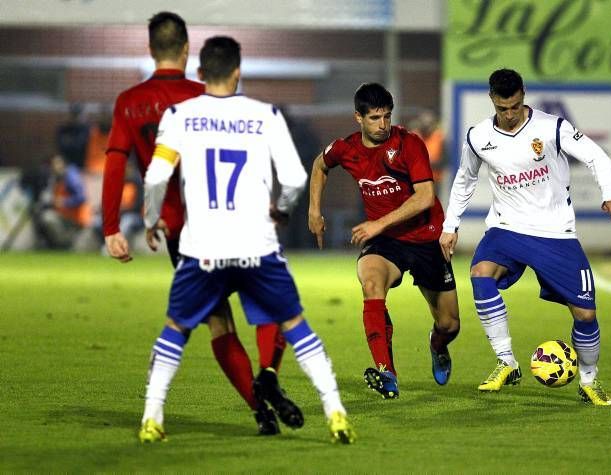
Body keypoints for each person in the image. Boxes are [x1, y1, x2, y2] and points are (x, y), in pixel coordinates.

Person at [137, 35, 355, 444]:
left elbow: (155, 176)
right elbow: (293, 179)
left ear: (200, 74)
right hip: (256, 245)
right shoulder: (265, 115)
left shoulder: (179, 115)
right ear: (238, 72)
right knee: (295, 324)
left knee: (176, 329)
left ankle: (152, 417)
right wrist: (284, 209)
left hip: (202, 247)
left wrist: (151, 219)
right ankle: (336, 413)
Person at [101, 11, 286, 435]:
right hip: (235, 217)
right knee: (272, 302)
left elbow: (115, 165)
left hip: (182, 231)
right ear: (187, 50)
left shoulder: (130, 102)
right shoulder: (207, 94)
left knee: (218, 320)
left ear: (151, 51)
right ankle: (268, 376)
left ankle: (260, 409)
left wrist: (111, 227)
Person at [439, 69, 611, 405]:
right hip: (506, 227)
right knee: (481, 275)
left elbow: (596, 156)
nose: (509, 115)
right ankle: (506, 362)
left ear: (523, 95)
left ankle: (588, 380)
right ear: (492, 100)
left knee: (585, 315)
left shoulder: (552, 127)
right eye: (502, 109)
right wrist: (450, 225)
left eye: (514, 106)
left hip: (555, 232)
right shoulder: (478, 136)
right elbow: (465, 179)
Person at [308, 83, 460, 399]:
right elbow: (320, 165)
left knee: (449, 325)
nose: (383, 125)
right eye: (375, 118)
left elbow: (424, 197)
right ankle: (386, 372)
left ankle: (437, 344)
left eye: (387, 117)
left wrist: (377, 223)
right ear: (358, 118)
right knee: (371, 285)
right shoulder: (346, 148)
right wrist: (314, 211)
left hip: (425, 238)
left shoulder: (409, 144)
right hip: (387, 243)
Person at [34, 154, 92, 249]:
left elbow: (81, 197)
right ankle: (59, 244)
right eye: (53, 165)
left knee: (48, 218)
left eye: (57, 164)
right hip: (64, 217)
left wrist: (64, 202)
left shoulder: (71, 176)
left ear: (64, 164)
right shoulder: (55, 178)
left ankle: (65, 244)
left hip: (77, 220)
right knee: (44, 215)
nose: (55, 167)